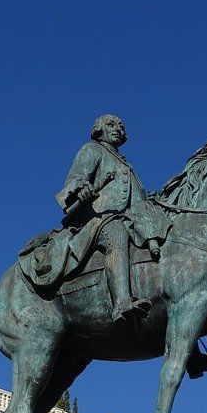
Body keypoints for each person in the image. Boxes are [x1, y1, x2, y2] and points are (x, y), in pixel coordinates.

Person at [56, 114, 163, 323]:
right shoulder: (92, 149)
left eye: (121, 126)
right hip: (99, 220)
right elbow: (75, 177)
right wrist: (82, 188)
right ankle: (122, 303)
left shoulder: (126, 164)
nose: (118, 129)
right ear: (99, 129)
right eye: (111, 124)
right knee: (117, 236)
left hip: (131, 219)